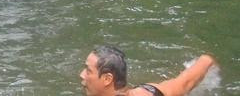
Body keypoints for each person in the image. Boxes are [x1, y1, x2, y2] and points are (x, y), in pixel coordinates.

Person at [81, 45, 218, 96]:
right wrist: (207, 60)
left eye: (88, 71)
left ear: (107, 79)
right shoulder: (149, 91)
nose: (81, 75)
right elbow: (185, 82)